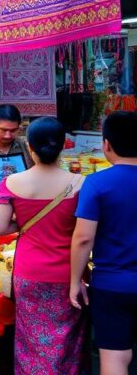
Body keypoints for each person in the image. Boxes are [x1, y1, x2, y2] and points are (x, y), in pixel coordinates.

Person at [0, 117, 84, 375]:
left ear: (29, 146)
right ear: (63, 145)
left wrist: (23, 223)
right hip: (67, 274)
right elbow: (84, 234)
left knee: (29, 339)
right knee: (66, 341)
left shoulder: (11, 182)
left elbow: (0, 227)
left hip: (28, 272)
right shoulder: (80, 184)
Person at [71, 111, 137, 375]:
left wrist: (75, 280)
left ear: (106, 144)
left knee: (114, 358)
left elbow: (83, 238)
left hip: (111, 285)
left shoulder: (97, 183)